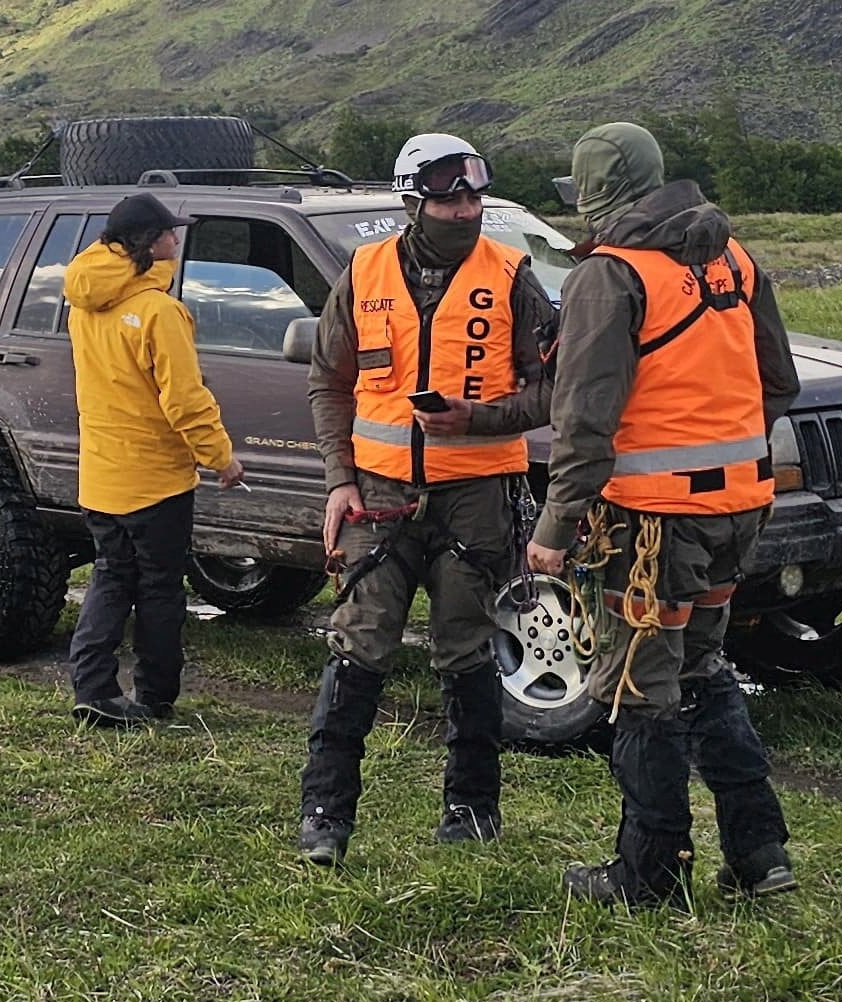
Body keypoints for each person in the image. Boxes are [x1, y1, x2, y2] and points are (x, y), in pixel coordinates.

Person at [443, 122, 802, 907]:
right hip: (737, 509)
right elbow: (779, 383)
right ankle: (759, 850)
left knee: (639, 689)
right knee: (701, 670)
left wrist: (552, 531)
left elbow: (583, 423)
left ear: (599, 193)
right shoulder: (732, 259)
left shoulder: (612, 276)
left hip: (653, 524)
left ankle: (648, 874)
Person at [294, 134, 557, 863]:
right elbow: (328, 380)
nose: (465, 209)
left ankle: (472, 810)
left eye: (474, 195)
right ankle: (326, 815)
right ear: (414, 202)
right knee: (360, 642)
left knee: (466, 649)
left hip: (476, 496)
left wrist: (479, 419)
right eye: (449, 197)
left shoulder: (513, 277)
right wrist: (339, 480)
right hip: (378, 497)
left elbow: (553, 389)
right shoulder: (365, 271)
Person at [64, 191, 246, 724]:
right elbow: (185, 401)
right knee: (161, 590)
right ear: (147, 243)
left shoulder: (84, 303)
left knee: (110, 576)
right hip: (155, 482)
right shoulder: (160, 312)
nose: (177, 237)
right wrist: (221, 459)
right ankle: (156, 698)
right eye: (170, 232)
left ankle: (93, 690)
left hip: (100, 476)